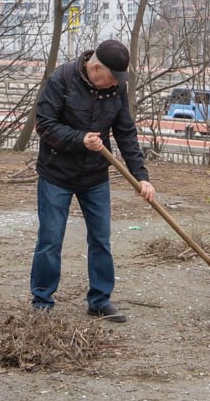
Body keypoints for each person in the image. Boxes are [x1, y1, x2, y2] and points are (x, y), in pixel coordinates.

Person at [30, 39, 156, 322]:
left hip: (95, 175)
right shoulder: (62, 79)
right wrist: (79, 139)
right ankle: (41, 302)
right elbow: (44, 124)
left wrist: (141, 177)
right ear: (95, 68)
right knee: (50, 240)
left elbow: (125, 132)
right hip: (56, 174)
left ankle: (99, 300)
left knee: (101, 239)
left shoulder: (116, 88)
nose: (115, 86)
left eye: (118, 82)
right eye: (111, 80)